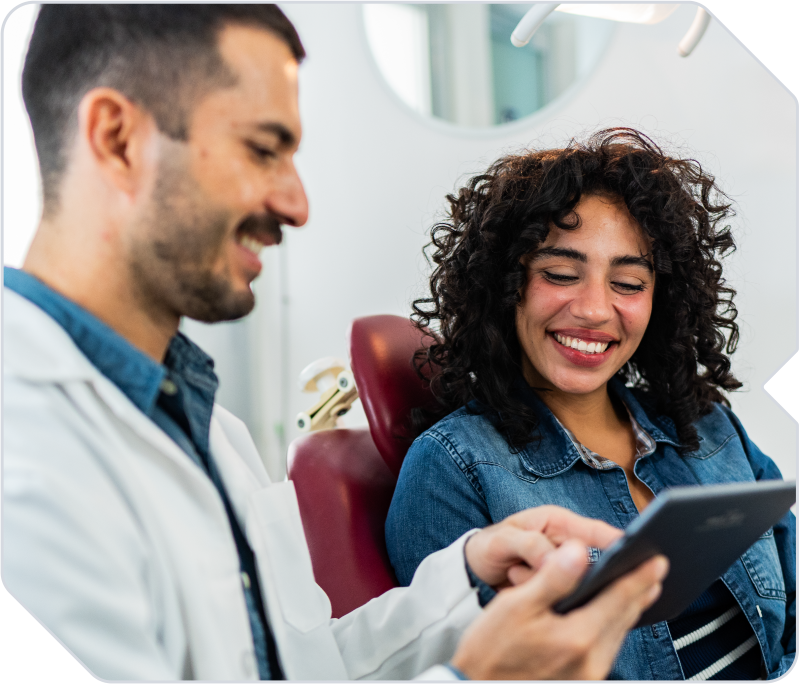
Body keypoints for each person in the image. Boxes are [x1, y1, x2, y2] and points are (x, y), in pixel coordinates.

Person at [2, 6, 669, 681]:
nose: (298, 203)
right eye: (263, 149)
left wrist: (465, 579)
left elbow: (301, 662)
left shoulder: (208, 426)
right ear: (117, 138)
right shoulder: (24, 467)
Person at [385, 128, 797, 680]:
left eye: (628, 282)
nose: (595, 310)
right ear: (505, 284)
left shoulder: (706, 425)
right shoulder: (452, 470)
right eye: (560, 274)